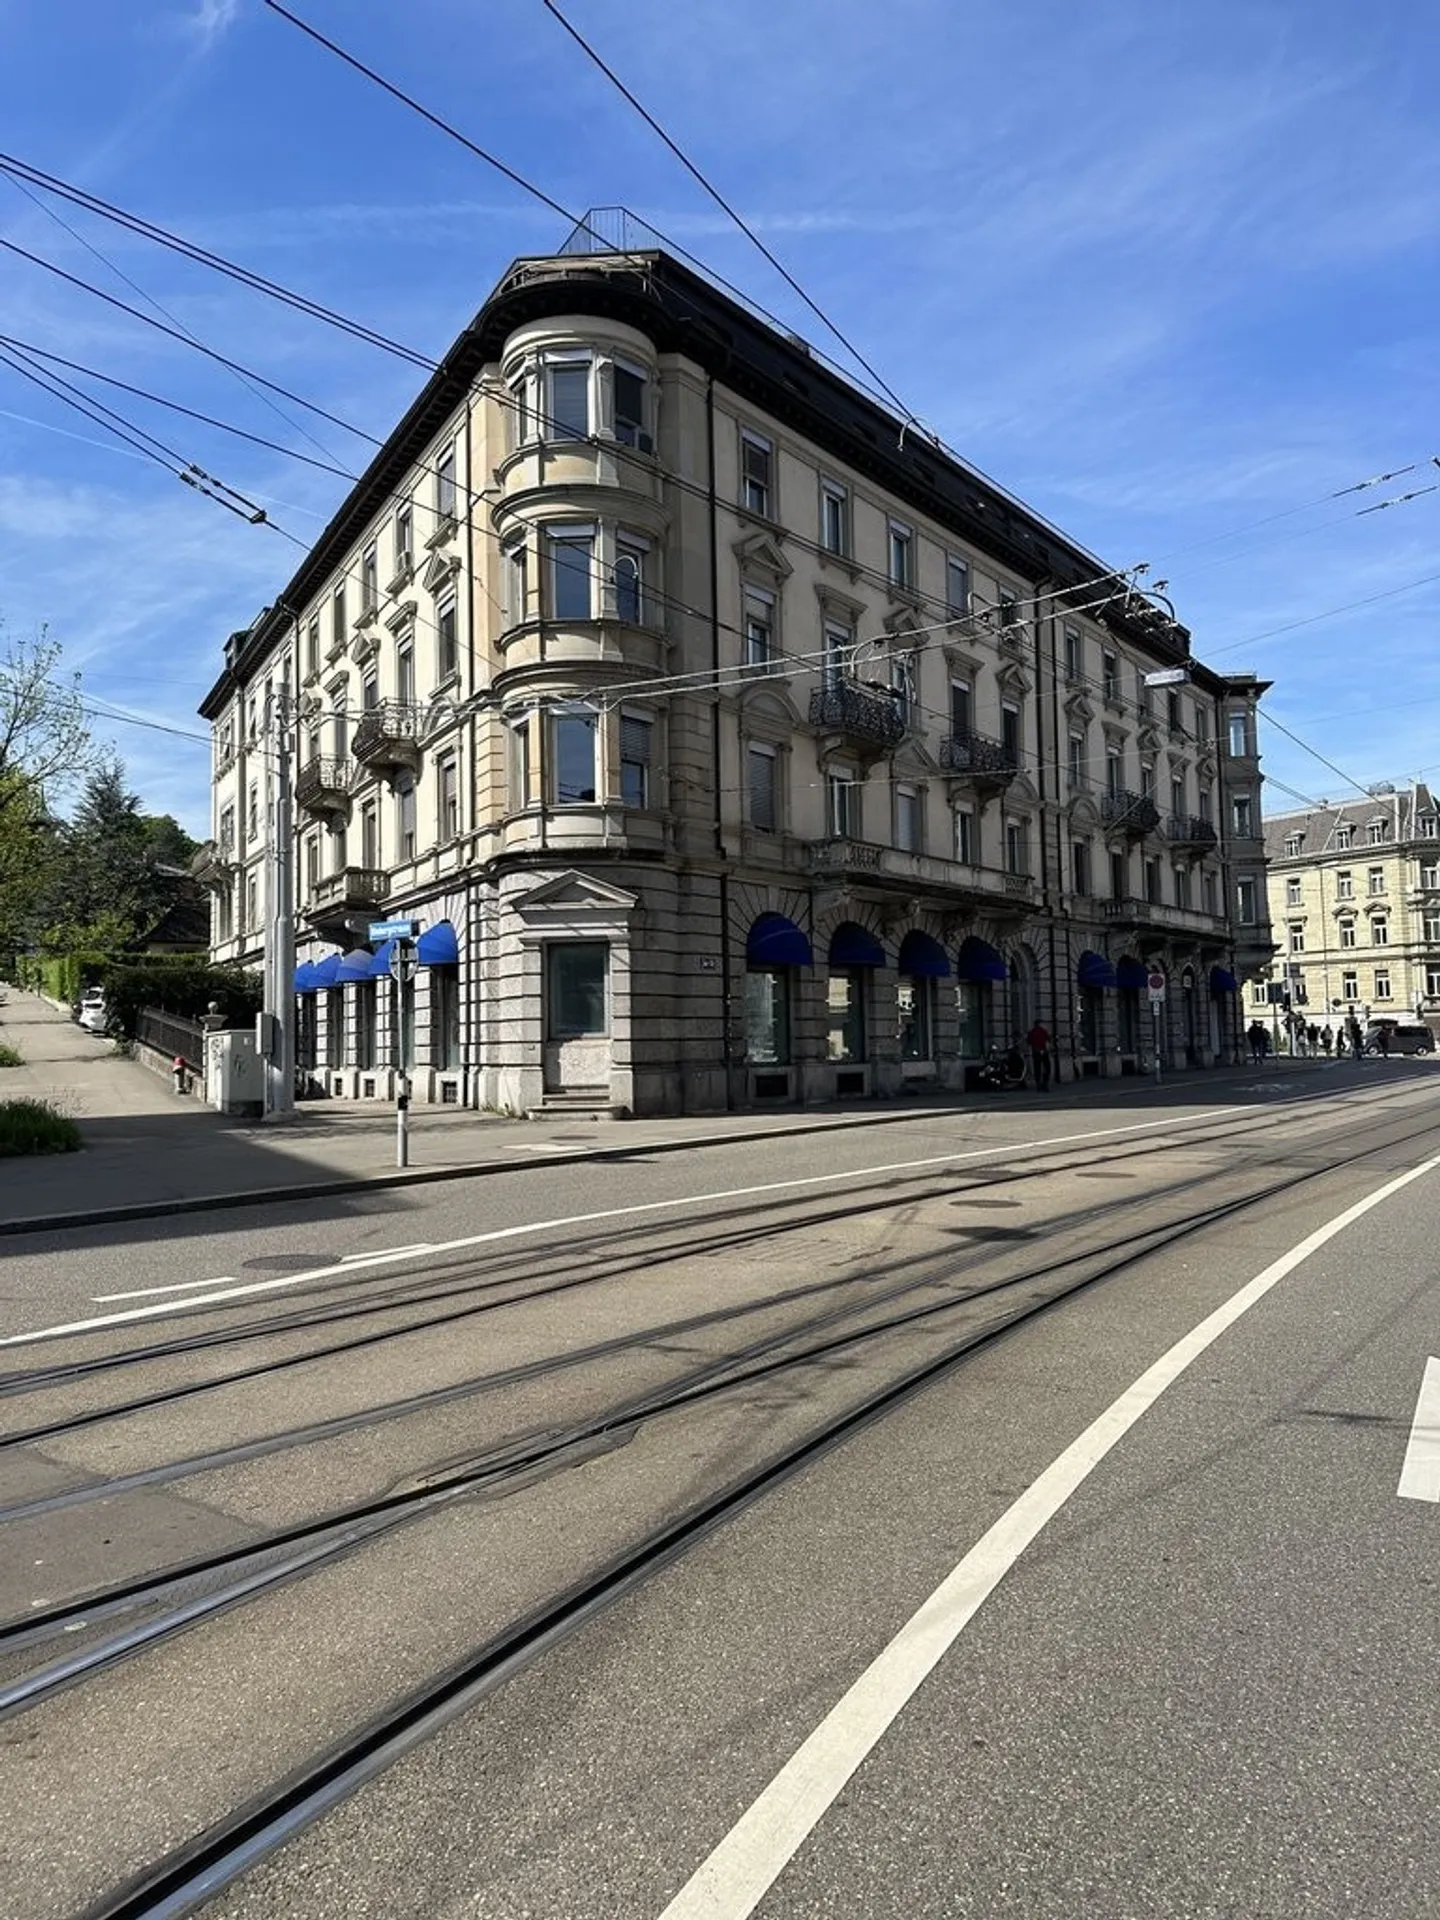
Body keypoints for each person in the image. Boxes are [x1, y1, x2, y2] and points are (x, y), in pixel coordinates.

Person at [1027, 1019, 1052, 1091]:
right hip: (1044, 1051)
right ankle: (1045, 1084)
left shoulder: (1031, 1032)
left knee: (1037, 1068)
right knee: (1046, 1068)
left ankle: (1038, 1085)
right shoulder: (1044, 1031)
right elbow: (1049, 1040)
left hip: (1036, 1051)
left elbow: (1028, 1042)